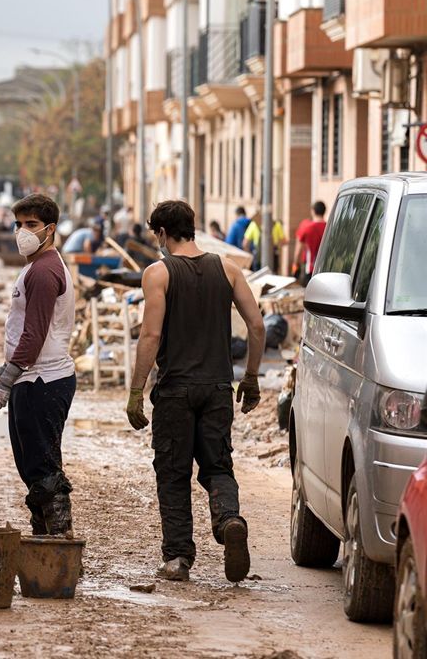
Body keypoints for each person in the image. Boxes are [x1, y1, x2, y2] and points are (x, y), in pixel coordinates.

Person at [125, 199, 264, 583]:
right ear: (193, 227)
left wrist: (136, 391)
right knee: (218, 465)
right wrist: (250, 377)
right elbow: (257, 326)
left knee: (172, 472)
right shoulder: (229, 269)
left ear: (162, 233)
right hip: (218, 387)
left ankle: (178, 559)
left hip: (175, 392)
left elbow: (151, 334)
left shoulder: (158, 273)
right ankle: (229, 520)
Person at [0, 194, 77, 536]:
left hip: (43, 380)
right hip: (32, 377)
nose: (23, 231)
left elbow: (34, 335)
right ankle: (43, 536)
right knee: (31, 463)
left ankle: (60, 541)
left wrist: (7, 380)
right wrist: (7, 369)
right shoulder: (37, 266)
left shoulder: (44, 271)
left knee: (41, 463)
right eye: (19, 224)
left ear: (50, 229)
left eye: (31, 225)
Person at [293, 200, 328, 280]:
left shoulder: (306, 227)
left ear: (313, 211)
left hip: (310, 268)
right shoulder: (329, 227)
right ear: (324, 211)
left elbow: (298, 248)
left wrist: (295, 263)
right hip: (325, 268)